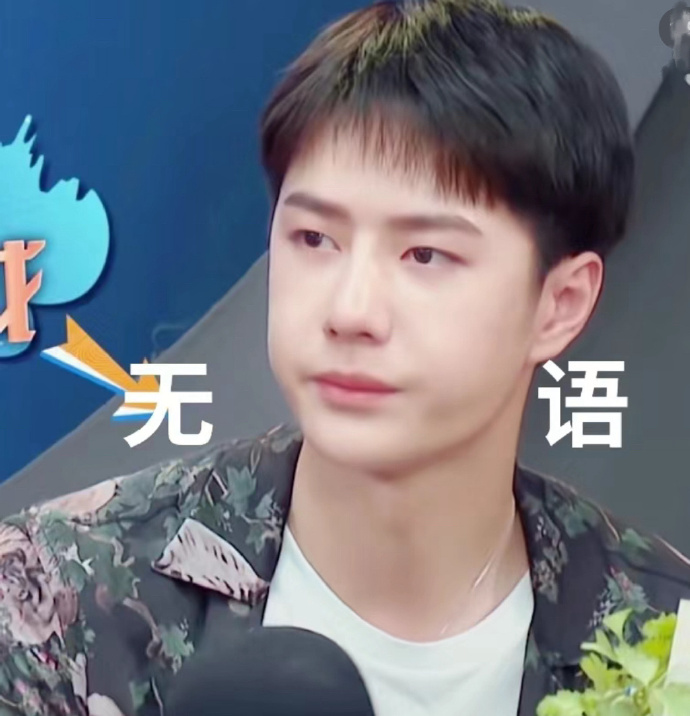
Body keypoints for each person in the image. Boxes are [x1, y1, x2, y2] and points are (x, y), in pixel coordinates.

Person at [1, 1, 689, 714]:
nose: (351, 310)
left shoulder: (664, 641)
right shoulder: (58, 592)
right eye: (315, 240)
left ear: (560, 303)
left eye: (425, 254)